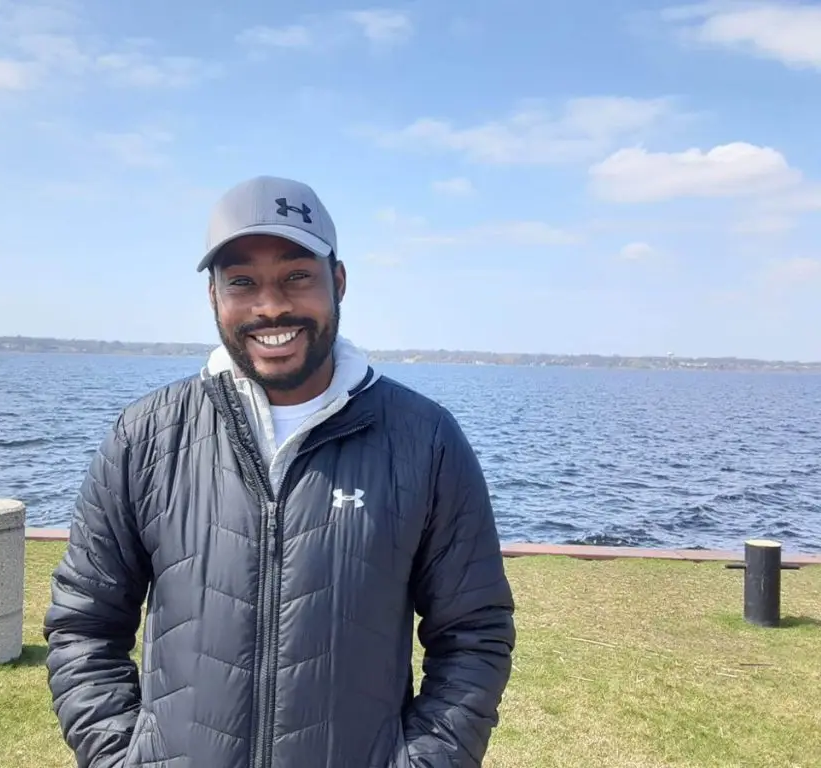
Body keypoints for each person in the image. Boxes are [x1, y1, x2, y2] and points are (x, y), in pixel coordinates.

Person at [43, 175, 516, 767]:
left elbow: (474, 634)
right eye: (242, 282)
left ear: (337, 283)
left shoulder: (425, 438)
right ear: (213, 297)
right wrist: (120, 757)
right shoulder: (146, 437)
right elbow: (84, 626)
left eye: (297, 276)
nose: (271, 306)